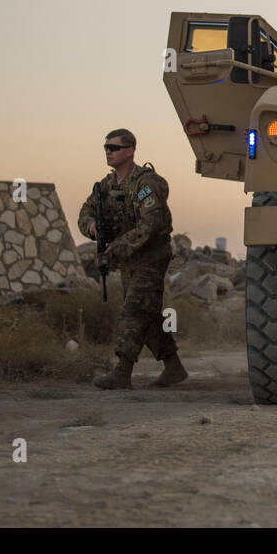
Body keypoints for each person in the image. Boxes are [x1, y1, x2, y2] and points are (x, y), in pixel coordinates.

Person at [76, 129, 188, 389]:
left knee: (134, 312)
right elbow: (86, 211)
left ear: (130, 150)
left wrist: (116, 248)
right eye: (106, 147)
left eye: (114, 147)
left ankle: (122, 372)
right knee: (147, 314)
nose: (108, 151)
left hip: (150, 258)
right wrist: (92, 226)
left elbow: (150, 225)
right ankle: (173, 367)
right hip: (127, 261)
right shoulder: (106, 186)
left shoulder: (146, 184)